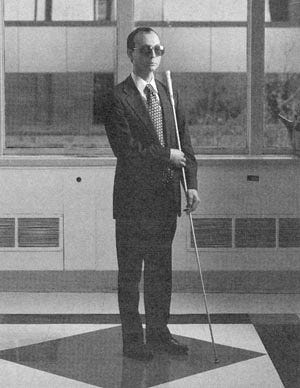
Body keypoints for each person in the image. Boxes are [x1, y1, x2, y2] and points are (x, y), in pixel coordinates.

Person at [104, 27, 200, 361]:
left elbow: (185, 144)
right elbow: (126, 150)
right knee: (130, 275)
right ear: (130, 53)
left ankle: (159, 334)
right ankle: (133, 341)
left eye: (158, 49)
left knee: (161, 273)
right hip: (133, 202)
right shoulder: (117, 97)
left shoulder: (169, 94)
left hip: (164, 200)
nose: (153, 56)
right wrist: (166, 156)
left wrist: (191, 184)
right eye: (145, 50)